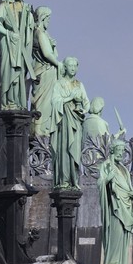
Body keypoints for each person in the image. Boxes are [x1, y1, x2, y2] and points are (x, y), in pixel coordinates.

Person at [0, 0, 34, 111]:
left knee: (20, 72)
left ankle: (18, 101)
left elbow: (30, 26)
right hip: (9, 43)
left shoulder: (24, 6)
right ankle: (9, 101)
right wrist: (8, 34)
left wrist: (29, 18)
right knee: (9, 71)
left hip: (21, 45)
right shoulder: (4, 6)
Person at [46, 58, 89, 189]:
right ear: (65, 67)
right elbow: (54, 101)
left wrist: (83, 109)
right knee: (64, 150)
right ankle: (64, 181)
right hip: (64, 121)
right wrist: (70, 98)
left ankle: (73, 180)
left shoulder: (79, 84)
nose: (72, 68)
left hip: (76, 121)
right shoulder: (59, 84)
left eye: (75, 66)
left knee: (75, 151)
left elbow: (86, 102)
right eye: (70, 66)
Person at [98, 136, 133, 264]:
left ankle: (121, 263)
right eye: (119, 150)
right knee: (116, 233)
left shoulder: (124, 170)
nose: (121, 153)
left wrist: (132, 193)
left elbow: (127, 187)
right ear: (113, 150)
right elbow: (100, 183)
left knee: (123, 236)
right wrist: (107, 179)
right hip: (115, 206)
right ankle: (112, 263)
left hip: (126, 205)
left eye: (123, 151)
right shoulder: (107, 165)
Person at [30, 7, 63, 134]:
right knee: (43, 104)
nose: (49, 21)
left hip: (42, 72)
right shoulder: (40, 33)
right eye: (48, 18)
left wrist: (53, 46)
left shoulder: (39, 33)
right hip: (45, 73)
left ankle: (39, 131)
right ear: (43, 18)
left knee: (43, 104)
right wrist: (59, 64)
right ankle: (41, 133)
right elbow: (48, 54)